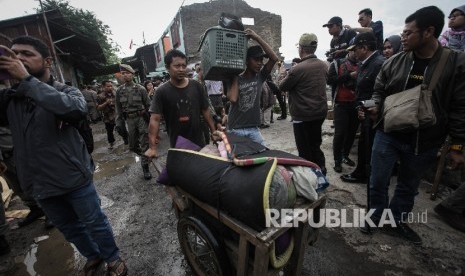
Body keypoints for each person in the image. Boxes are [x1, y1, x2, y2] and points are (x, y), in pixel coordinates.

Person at [0, 35, 127, 275]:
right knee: (68, 228)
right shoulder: (11, 99)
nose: (19, 59)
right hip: (39, 183)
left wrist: (27, 80)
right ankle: (93, 255)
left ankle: (113, 257)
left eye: (27, 54)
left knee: (95, 223)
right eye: (14, 54)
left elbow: (75, 111)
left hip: (73, 178)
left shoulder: (67, 92)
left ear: (47, 61)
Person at [365, 6, 465, 244]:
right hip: (388, 134)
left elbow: (460, 107)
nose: (403, 37)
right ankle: (374, 217)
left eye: (409, 33)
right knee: (377, 181)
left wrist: (457, 147)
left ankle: (395, 222)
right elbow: (379, 88)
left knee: (408, 187)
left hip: (426, 140)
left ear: (429, 32)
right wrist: (376, 105)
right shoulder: (395, 62)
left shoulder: (455, 63)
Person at [145, 49, 218, 158]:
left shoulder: (196, 86)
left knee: (200, 170)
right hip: (178, 143)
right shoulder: (161, 91)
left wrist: (213, 131)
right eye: (177, 66)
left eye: (184, 66)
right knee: (183, 172)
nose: (181, 69)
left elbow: (205, 110)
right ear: (167, 67)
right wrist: (152, 148)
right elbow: (155, 119)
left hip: (199, 141)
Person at [278, 33, 328, 174]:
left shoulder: (298, 69)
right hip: (319, 113)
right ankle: (321, 170)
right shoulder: (323, 65)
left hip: (303, 116)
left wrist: (282, 73)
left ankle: (310, 177)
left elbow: (282, 87)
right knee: (315, 144)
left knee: (305, 150)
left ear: (301, 49)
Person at [340, 32, 385, 183]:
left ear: (364, 48)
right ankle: (363, 171)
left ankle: (365, 174)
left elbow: (381, 94)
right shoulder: (365, 64)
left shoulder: (379, 64)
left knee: (368, 145)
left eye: (355, 49)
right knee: (364, 143)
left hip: (373, 115)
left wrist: (367, 107)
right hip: (364, 111)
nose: (353, 52)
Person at [226, 29, 279, 145]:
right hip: (235, 129)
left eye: (261, 60)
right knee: (237, 161)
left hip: (254, 129)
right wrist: (236, 74)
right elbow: (233, 99)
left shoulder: (260, 77)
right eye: (256, 59)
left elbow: (274, 58)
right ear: (246, 61)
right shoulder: (235, 78)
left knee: (263, 156)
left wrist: (257, 37)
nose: (260, 63)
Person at [115, 64, 152, 180]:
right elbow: (118, 109)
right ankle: (145, 155)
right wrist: (119, 123)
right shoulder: (119, 91)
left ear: (132, 74)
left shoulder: (140, 89)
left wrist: (152, 123)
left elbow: (149, 106)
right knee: (132, 145)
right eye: (123, 73)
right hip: (129, 120)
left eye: (128, 73)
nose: (125, 75)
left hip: (141, 118)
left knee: (144, 142)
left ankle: (145, 166)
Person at [327, 49, 359, 173]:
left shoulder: (362, 64)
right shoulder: (337, 63)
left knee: (352, 132)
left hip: (356, 103)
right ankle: (337, 160)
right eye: (354, 50)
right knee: (340, 133)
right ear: (349, 51)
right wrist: (349, 75)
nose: (356, 53)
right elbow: (330, 80)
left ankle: (345, 155)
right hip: (341, 103)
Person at [97, 80, 118, 150]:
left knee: (122, 129)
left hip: (117, 115)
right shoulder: (100, 96)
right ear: (103, 87)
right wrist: (106, 103)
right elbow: (98, 108)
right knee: (109, 131)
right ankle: (111, 143)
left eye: (111, 86)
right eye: (108, 86)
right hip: (107, 117)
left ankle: (127, 140)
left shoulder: (115, 94)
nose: (110, 87)